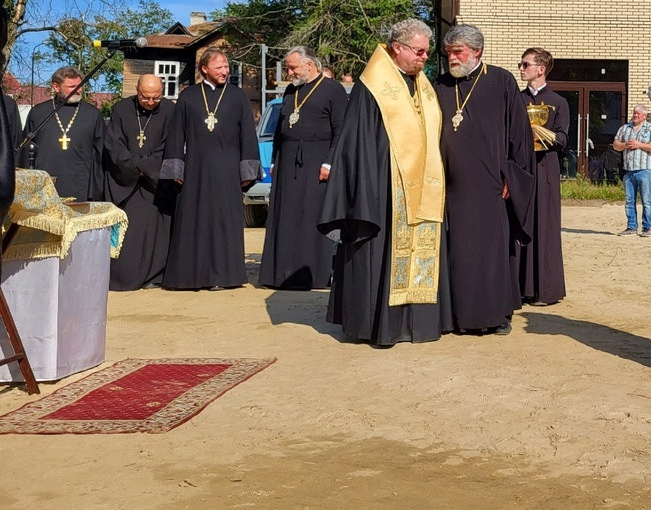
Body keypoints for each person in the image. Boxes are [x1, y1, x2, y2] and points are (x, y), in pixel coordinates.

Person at [319, 20, 450, 345]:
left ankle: (417, 324)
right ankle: (382, 326)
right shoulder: (372, 85)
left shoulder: (420, 84)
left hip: (420, 190)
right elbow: (358, 146)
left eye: (426, 51)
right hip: (384, 191)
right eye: (419, 51)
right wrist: (368, 192)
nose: (424, 56)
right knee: (380, 255)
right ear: (397, 48)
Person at [435, 24, 536, 336]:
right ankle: (453, 317)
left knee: (489, 252)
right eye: (449, 52)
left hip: (491, 184)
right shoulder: (437, 84)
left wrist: (512, 177)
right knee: (455, 253)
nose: (451, 58)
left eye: (457, 52)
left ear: (476, 52)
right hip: (447, 185)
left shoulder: (501, 80)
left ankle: (494, 316)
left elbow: (520, 135)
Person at [160, 47, 262, 290]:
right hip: (196, 168)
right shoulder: (188, 96)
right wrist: (176, 169)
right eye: (219, 67)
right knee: (196, 220)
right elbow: (176, 135)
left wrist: (247, 172)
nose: (225, 71)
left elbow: (248, 135)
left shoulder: (237, 96)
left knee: (225, 221)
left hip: (228, 169)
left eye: (227, 67)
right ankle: (192, 276)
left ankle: (225, 276)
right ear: (204, 69)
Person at [260, 46, 349, 290]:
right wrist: (275, 159)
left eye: (292, 67)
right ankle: (280, 273)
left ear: (309, 65)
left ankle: (315, 275)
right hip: (288, 160)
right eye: (288, 67)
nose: (289, 72)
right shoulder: (291, 91)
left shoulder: (333, 90)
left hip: (317, 159)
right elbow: (281, 127)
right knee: (285, 215)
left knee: (310, 215)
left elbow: (341, 130)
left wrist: (330, 161)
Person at [104, 74, 177, 290]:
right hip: (127, 182)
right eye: (146, 98)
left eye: (157, 97)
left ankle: (154, 276)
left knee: (156, 233)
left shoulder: (169, 110)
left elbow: (170, 145)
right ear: (137, 91)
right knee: (130, 237)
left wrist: (148, 167)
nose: (152, 102)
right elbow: (114, 145)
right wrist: (134, 167)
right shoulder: (121, 109)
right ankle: (124, 278)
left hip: (156, 182)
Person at [515, 47, 570, 306]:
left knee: (545, 228)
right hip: (521, 170)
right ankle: (519, 287)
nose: (521, 69)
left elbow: (563, 137)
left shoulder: (558, 102)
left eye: (525, 64)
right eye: (521, 64)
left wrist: (544, 136)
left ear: (541, 69)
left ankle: (544, 290)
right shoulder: (516, 99)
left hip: (545, 169)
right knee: (520, 225)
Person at [21, 65, 105, 201]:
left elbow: (99, 155)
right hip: (44, 185)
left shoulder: (92, 114)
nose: (78, 90)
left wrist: (94, 190)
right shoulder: (39, 112)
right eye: (72, 87)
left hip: (80, 184)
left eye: (80, 86)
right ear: (56, 87)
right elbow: (25, 152)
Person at [613, 104, 651, 236]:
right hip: (628, 170)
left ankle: (646, 227)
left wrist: (639, 145)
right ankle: (631, 227)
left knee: (646, 200)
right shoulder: (625, 128)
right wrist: (625, 145)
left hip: (644, 170)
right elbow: (615, 144)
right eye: (634, 113)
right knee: (629, 200)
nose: (635, 115)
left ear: (644, 116)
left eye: (638, 113)